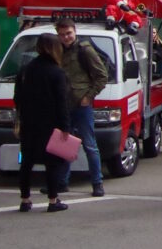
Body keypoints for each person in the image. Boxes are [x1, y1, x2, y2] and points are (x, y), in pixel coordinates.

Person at [15, 33, 70, 212]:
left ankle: (25, 199)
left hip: (28, 121)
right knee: (52, 162)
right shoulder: (57, 72)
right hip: (50, 123)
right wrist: (65, 126)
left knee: (27, 161)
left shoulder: (26, 69)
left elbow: (17, 97)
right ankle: (53, 200)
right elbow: (61, 101)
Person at [56, 18, 107, 198]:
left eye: (68, 33)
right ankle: (61, 182)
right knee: (64, 145)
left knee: (90, 145)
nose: (66, 37)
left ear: (75, 31)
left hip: (81, 105)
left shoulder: (85, 50)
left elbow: (102, 76)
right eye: (62, 34)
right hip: (64, 105)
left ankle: (97, 183)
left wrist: (88, 97)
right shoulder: (57, 50)